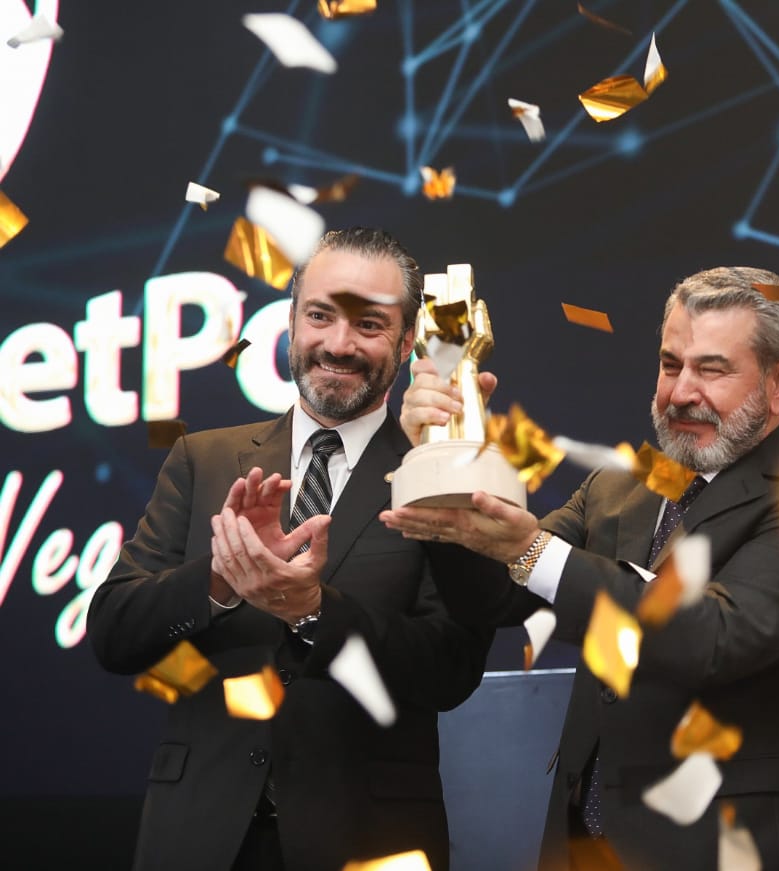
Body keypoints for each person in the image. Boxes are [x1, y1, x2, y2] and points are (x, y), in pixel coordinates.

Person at [382, 268, 779, 871]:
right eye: (670, 364)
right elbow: (496, 597)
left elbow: (714, 637)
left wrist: (529, 550)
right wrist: (448, 470)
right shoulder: (621, 486)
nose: (681, 392)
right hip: (584, 842)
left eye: (711, 370)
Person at [88, 228, 493, 871]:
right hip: (197, 834)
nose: (338, 344)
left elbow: (452, 670)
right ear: (291, 322)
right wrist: (222, 579)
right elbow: (114, 634)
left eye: (369, 324)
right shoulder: (202, 458)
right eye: (320, 316)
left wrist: (314, 610)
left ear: (408, 341)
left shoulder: (438, 471)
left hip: (368, 839)